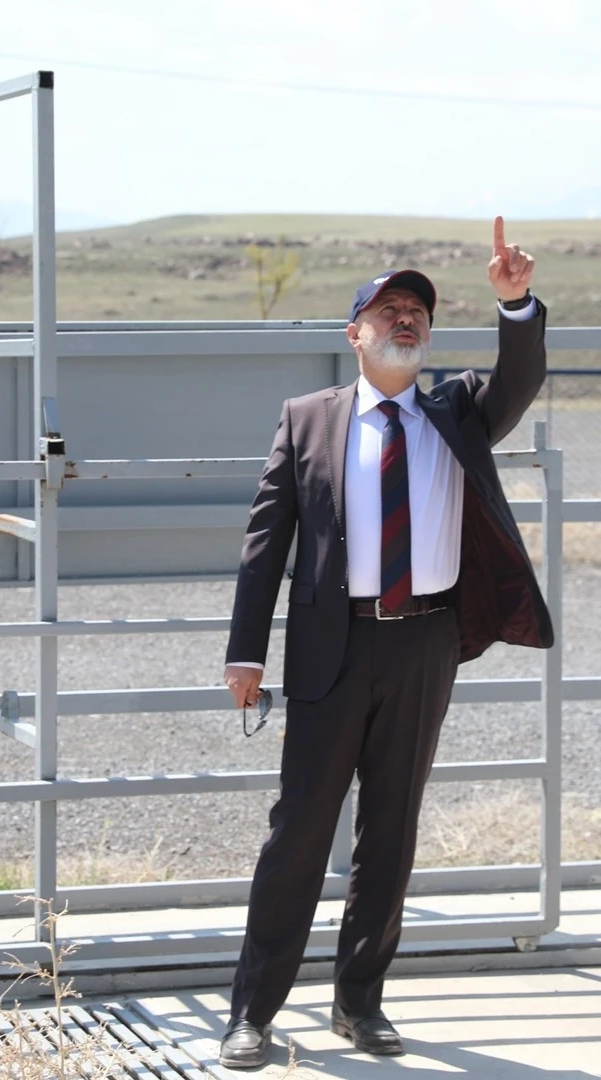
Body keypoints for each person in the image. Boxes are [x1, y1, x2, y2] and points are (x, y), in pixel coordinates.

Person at [218, 216, 553, 1069]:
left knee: (391, 830)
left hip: (424, 644)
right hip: (330, 649)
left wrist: (515, 305)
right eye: (388, 310)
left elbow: (521, 379)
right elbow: (266, 544)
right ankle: (252, 1012)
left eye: (418, 313)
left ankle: (359, 1003)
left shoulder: (458, 411)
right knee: (298, 832)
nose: (406, 320)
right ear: (355, 333)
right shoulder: (308, 420)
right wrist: (246, 652)